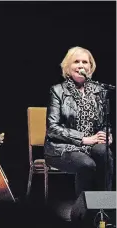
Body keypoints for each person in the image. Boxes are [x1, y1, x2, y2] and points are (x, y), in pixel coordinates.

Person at [44, 46, 113, 198]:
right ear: (68, 67)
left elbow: (103, 124)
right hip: (61, 148)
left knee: (104, 154)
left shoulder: (99, 91)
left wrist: (107, 135)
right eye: (76, 62)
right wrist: (83, 139)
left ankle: (104, 210)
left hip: (91, 144)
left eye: (85, 62)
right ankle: (83, 215)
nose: (81, 65)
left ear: (90, 67)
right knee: (87, 164)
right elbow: (52, 129)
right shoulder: (57, 91)